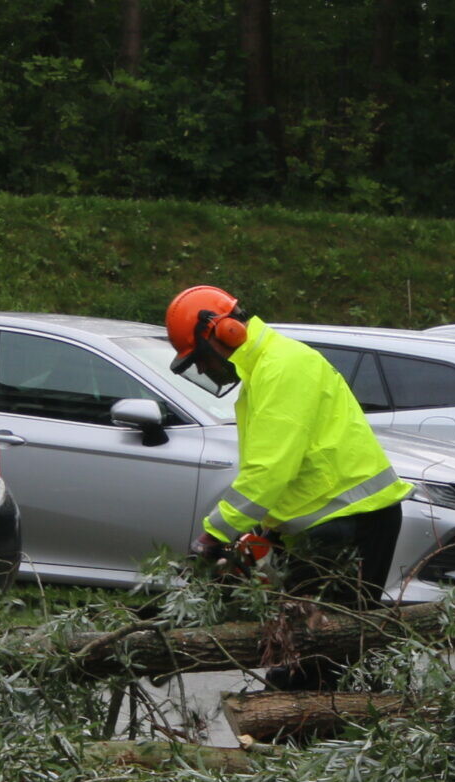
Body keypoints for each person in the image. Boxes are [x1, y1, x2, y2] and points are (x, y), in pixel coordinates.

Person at [168, 286, 411, 675]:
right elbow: (291, 469)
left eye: (199, 360)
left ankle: (299, 725)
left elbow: (269, 470)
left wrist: (213, 535)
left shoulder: (282, 368)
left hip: (353, 523)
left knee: (313, 652)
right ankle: (321, 721)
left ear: (224, 332)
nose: (202, 369)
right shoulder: (267, 369)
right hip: (335, 522)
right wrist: (268, 532)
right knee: (313, 649)